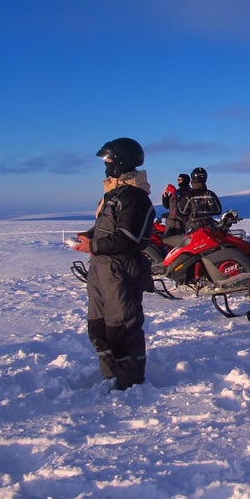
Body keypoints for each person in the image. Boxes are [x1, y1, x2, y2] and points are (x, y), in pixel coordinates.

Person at [72, 137, 155, 390]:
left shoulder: (134, 197)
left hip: (121, 269)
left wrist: (93, 246)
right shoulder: (113, 194)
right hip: (101, 268)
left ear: (120, 160)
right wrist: (90, 235)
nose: (105, 165)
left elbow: (128, 237)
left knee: (122, 326)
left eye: (108, 160)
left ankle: (129, 383)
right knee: (99, 324)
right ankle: (110, 375)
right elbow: (105, 227)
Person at [177, 166, 222, 232]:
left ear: (193, 178)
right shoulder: (210, 194)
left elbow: (182, 211)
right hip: (209, 226)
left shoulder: (189, 195)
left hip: (193, 227)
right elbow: (218, 210)